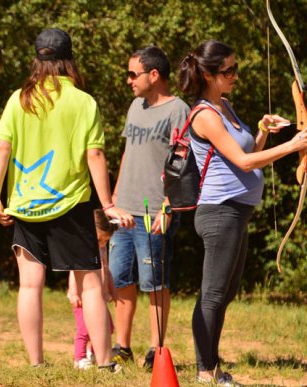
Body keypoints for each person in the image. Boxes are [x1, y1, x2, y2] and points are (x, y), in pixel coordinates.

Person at [0, 27, 134, 371]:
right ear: (68, 60)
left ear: (36, 59)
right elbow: (95, 155)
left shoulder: (18, 99)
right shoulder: (83, 102)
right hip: (72, 204)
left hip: (25, 205)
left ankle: (36, 364)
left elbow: (2, 149)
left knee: (29, 284)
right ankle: (102, 363)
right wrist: (108, 204)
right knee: (90, 285)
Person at [178, 39, 307, 385]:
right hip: (219, 212)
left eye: (236, 68)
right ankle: (206, 371)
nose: (235, 75)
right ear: (207, 74)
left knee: (224, 292)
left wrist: (263, 131)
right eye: (228, 71)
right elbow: (244, 161)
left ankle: (211, 366)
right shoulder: (205, 114)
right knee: (213, 293)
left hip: (236, 213)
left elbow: (246, 153)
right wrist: (293, 146)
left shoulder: (226, 107)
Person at [109, 46, 189, 369]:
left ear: (153, 75)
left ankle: (157, 350)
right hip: (124, 210)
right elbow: (128, 151)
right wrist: (113, 199)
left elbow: (182, 162)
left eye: (133, 74)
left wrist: (168, 207)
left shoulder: (178, 110)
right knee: (120, 279)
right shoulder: (134, 106)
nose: (129, 80)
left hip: (154, 212)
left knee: (155, 283)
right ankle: (121, 346)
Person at [67, 209, 117, 369]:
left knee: (108, 327)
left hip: (99, 298)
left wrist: (111, 290)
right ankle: (79, 358)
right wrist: (74, 292)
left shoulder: (101, 249)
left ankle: (94, 352)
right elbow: (73, 271)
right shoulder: (83, 248)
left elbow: (106, 269)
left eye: (105, 240)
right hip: (82, 297)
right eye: (99, 239)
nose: (102, 244)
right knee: (84, 330)